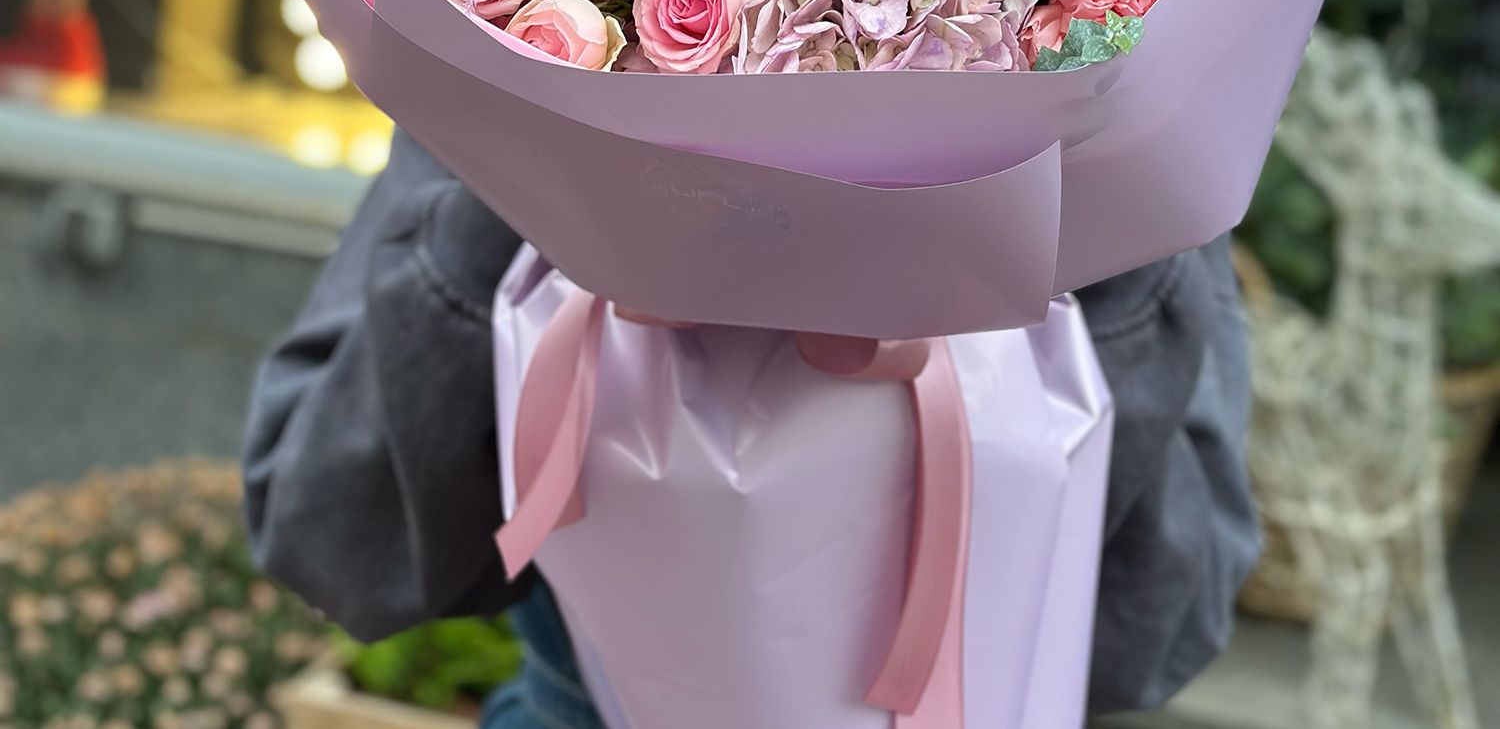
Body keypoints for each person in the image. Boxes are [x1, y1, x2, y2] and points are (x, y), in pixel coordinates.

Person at [244, 131, 1259, 724]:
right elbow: (333, 536)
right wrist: (529, 140)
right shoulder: (516, 34)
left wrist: (1095, 176)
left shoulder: (1127, 78)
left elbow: (1152, 630)